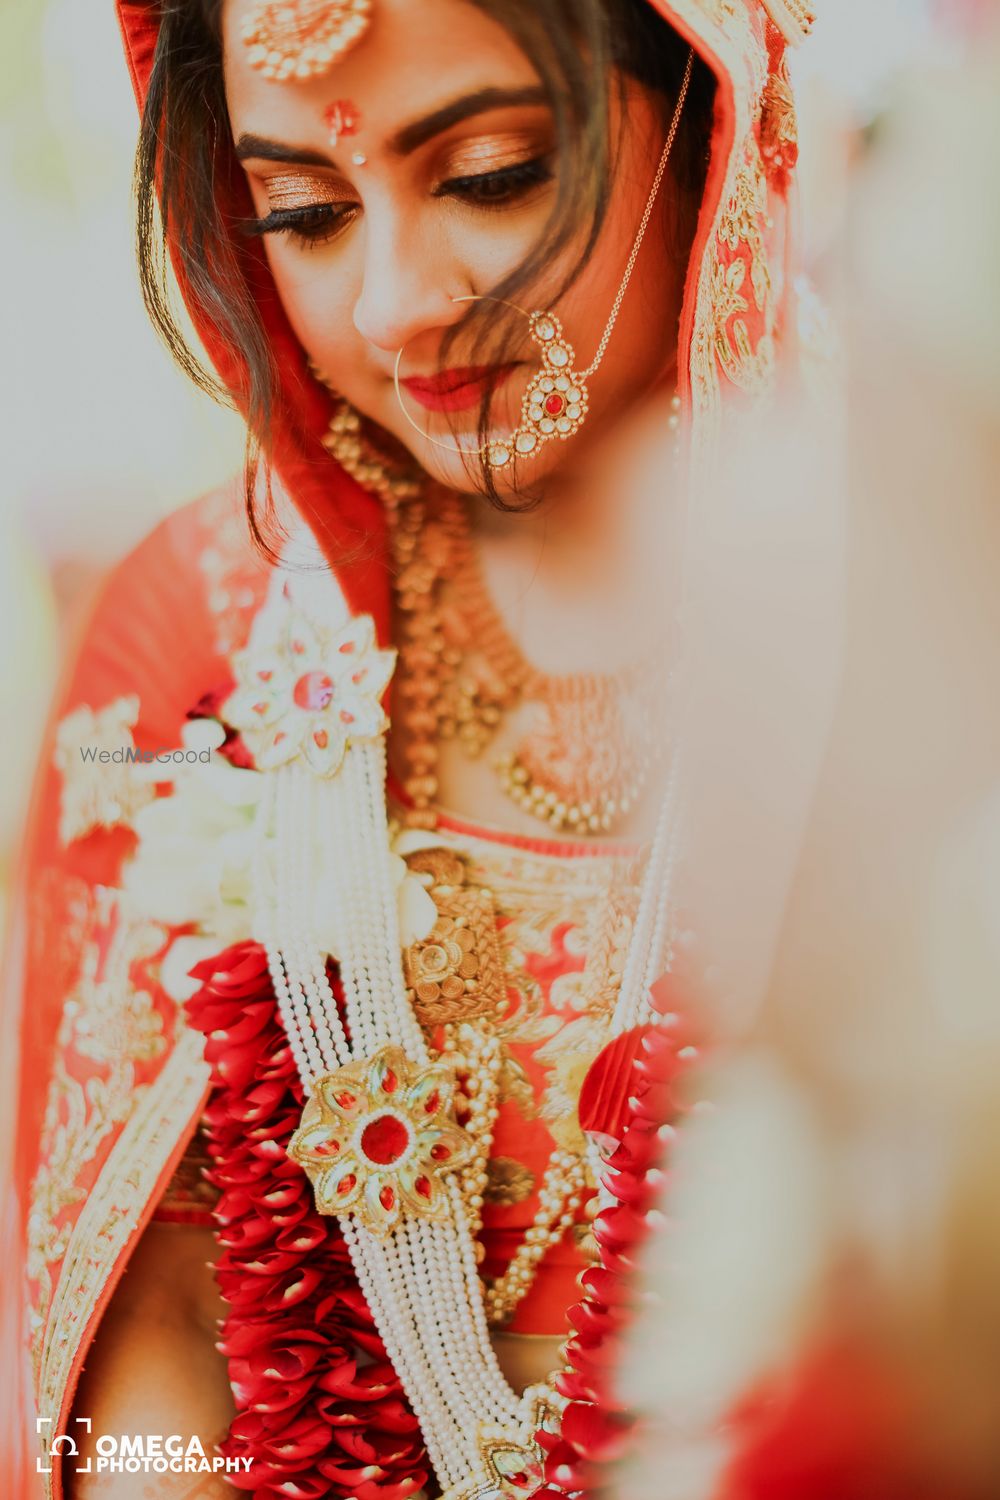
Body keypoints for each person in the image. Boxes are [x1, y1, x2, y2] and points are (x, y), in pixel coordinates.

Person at [10, 2, 821, 1497]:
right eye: (304, 214)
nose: (391, 305)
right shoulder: (204, 638)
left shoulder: (910, 623)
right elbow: (157, 1349)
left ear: (712, 108)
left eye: (494, 175)